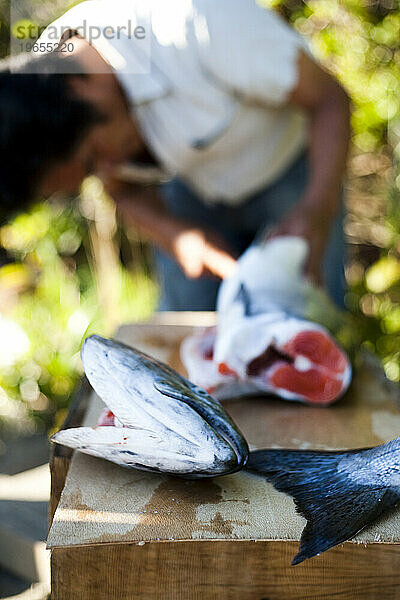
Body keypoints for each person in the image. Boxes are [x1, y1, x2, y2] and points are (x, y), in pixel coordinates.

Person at [0, 0, 350, 310]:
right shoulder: (49, 76)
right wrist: (175, 235)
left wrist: (318, 205)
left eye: (94, 158)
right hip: (191, 190)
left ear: (81, 86)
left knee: (308, 317)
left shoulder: (197, 22)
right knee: (190, 331)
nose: (110, 171)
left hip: (293, 174)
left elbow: (330, 100)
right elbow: (121, 190)